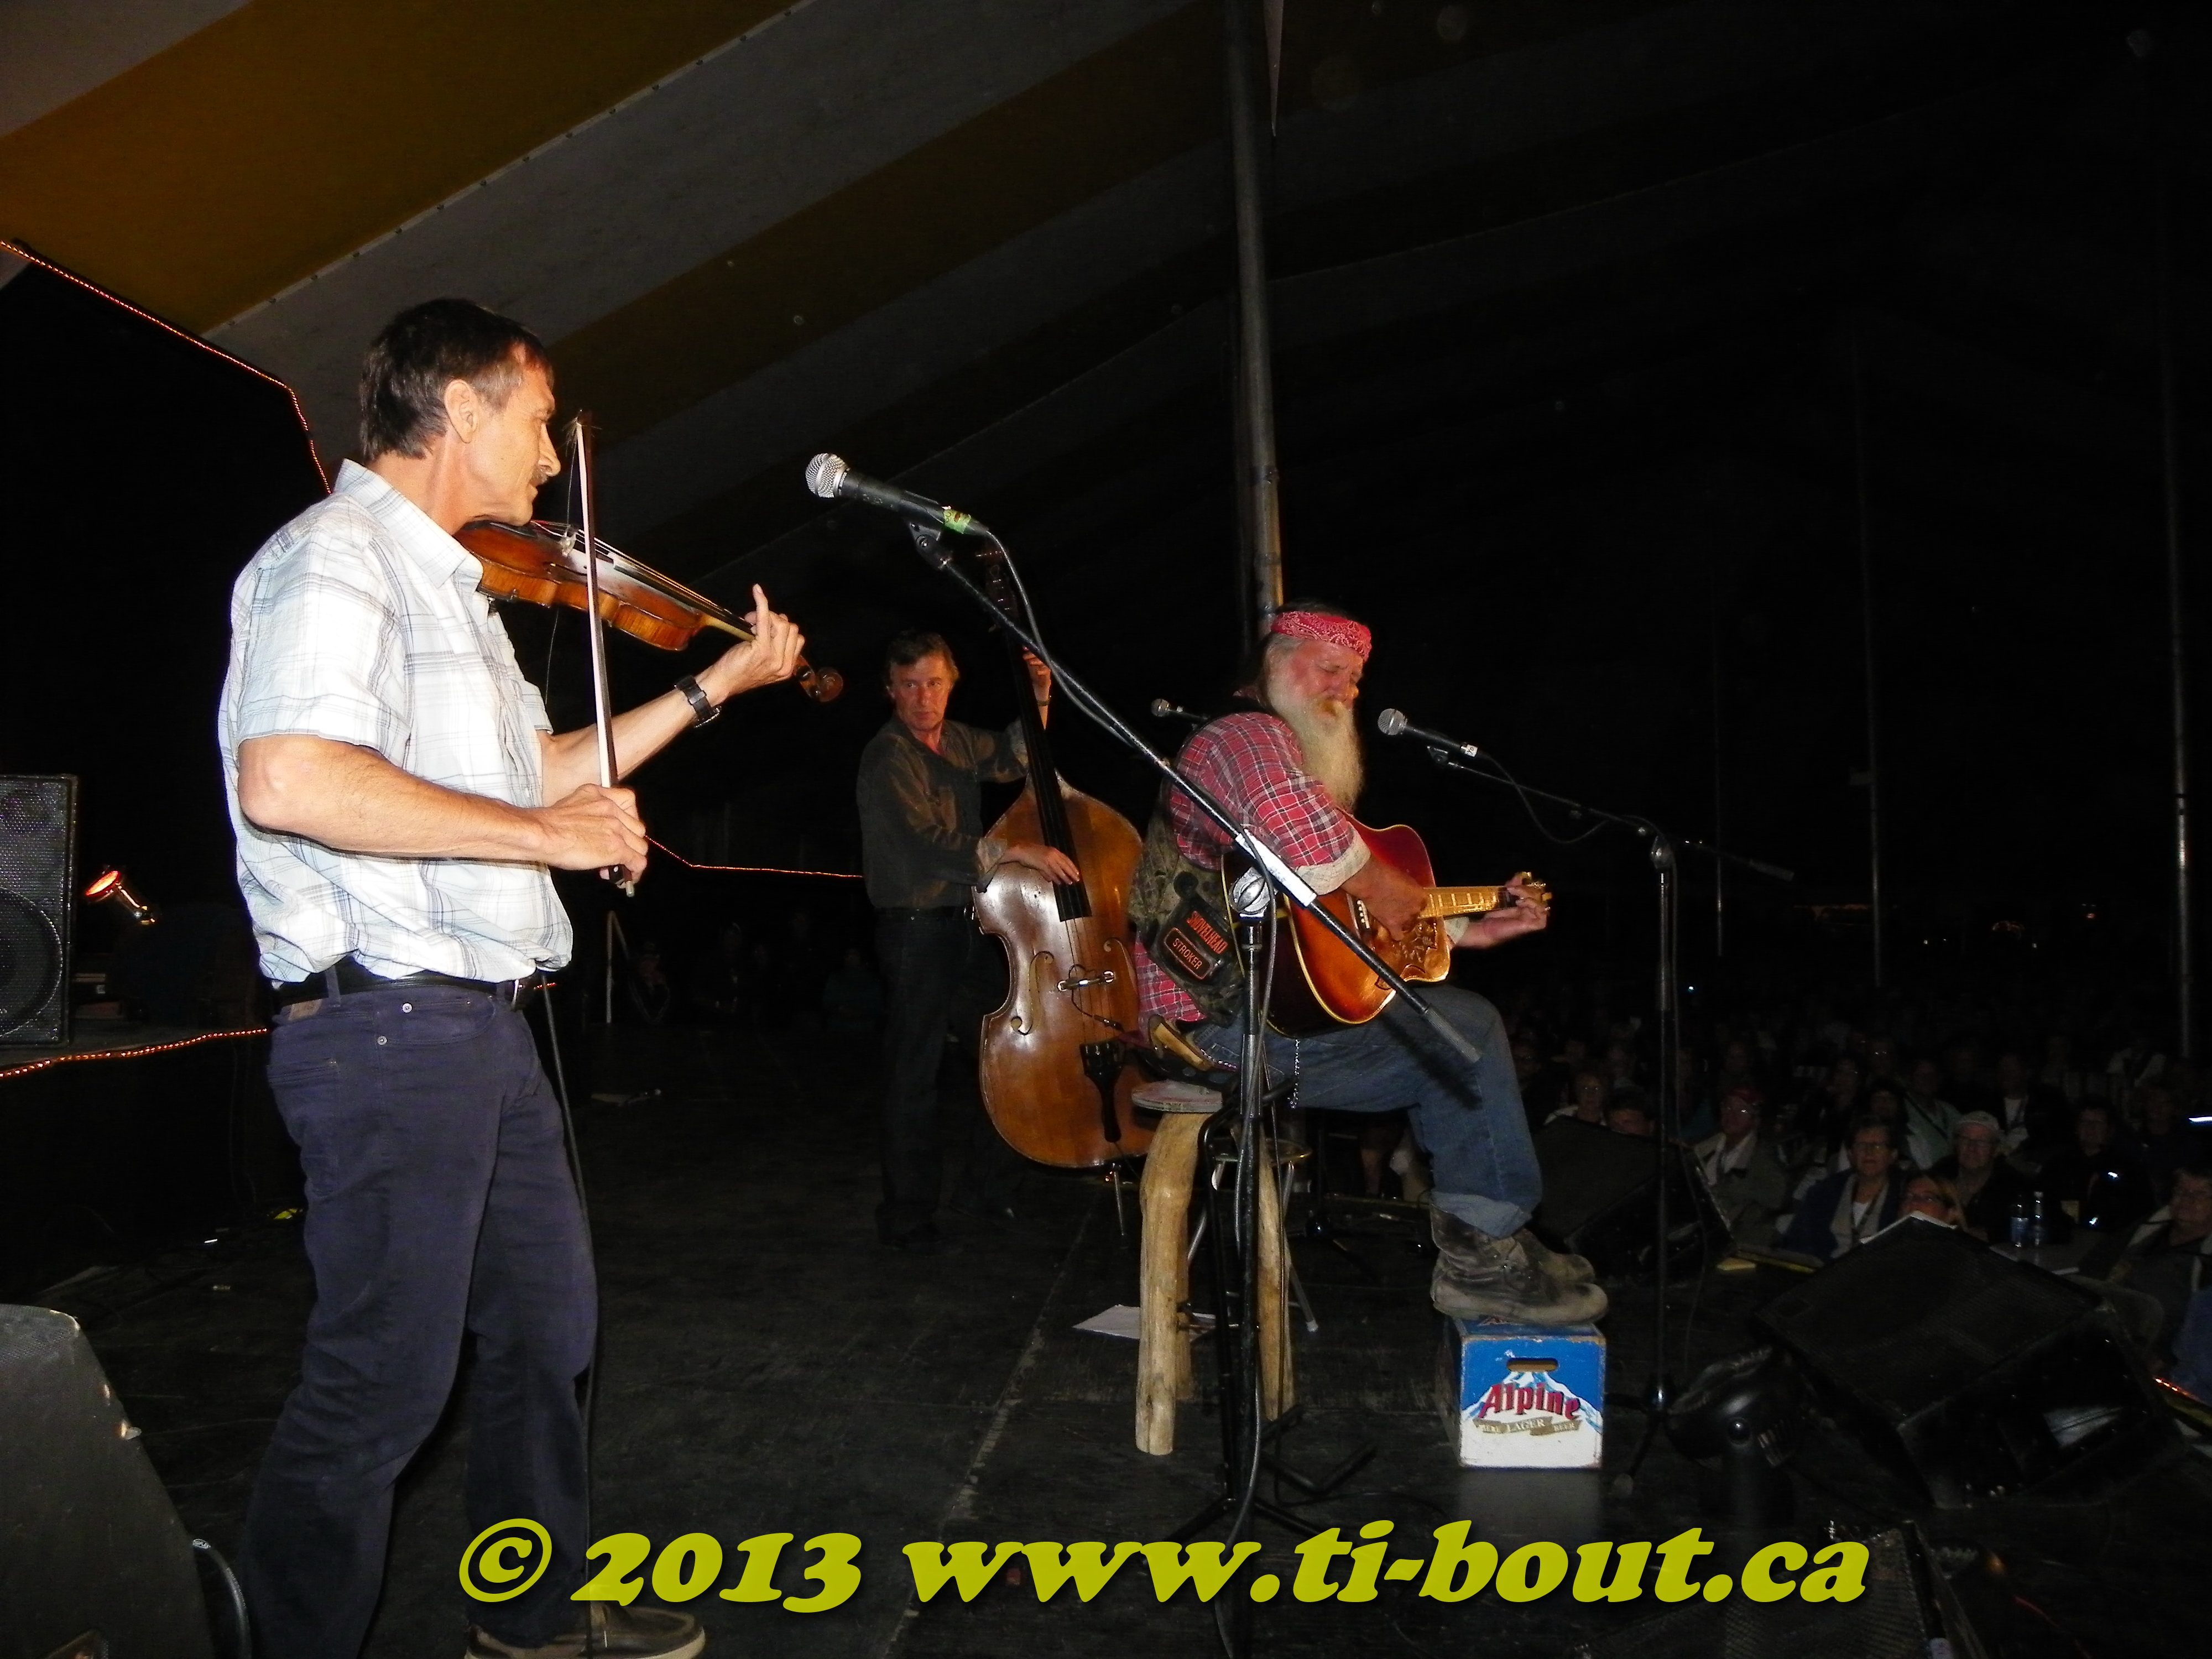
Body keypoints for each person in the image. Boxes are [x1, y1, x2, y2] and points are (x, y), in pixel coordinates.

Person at [220, 299, 802, 1658]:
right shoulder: (335, 557)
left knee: (546, 1330)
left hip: (477, 1024)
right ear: (462, 408)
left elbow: (539, 773)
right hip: (385, 1024)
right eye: (538, 423)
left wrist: (714, 687)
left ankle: (530, 1613)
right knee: (381, 1384)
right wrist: (549, 840)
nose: (551, 459)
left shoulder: (459, 593)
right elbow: (290, 776)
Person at [1128, 601, 1601, 1326]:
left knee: (1454, 1029)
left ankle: (1487, 1241)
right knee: (1467, 1034)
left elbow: (1337, 928)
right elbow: (1311, 842)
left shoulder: (1285, 772)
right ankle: (1485, 1254)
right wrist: (1389, 890)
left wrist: (1468, 932)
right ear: (1273, 662)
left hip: (1258, 1021)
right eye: (1329, 669)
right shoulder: (1244, 736)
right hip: (1218, 1031)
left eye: (1354, 680)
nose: (1345, 692)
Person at [854, 629, 1071, 1252]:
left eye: (934, 683)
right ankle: (906, 1216)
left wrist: (1039, 696)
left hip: (966, 925)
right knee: (914, 1072)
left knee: (1002, 1058)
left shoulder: (956, 740)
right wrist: (1018, 851)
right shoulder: (887, 756)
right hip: (914, 930)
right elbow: (929, 845)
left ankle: (983, 1188)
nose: (923, 697)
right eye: (910, 685)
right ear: (891, 690)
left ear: (951, 685)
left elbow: (1014, 756)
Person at [1782, 1117, 1908, 1263]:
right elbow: (1798, 1244)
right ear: (1851, 1155)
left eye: (1878, 1146)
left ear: (1893, 1155)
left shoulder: (1906, 1196)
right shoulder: (1823, 1193)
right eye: (1861, 1146)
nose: (1869, 1152)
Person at [2034, 1101, 2153, 1236]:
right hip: (2062, 1237)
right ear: (2076, 1128)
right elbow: (2041, 1202)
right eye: (2084, 1122)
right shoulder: (2057, 1166)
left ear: (2110, 1130)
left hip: (2109, 1239)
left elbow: (2140, 1213)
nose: (2091, 1128)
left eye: (2098, 1123)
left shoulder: (2129, 1169)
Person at [1693, 1087, 1790, 1250]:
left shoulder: (1762, 1157)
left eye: (1742, 1111)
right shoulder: (1707, 1146)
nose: (1731, 1115)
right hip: (1700, 1227)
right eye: (1728, 1107)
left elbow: (1780, 1197)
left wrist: (1740, 1189)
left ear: (1756, 1120)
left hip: (1738, 1238)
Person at [1929, 1110, 2032, 1242]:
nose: (1972, 1148)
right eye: (1965, 1139)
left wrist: (1991, 1236)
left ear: (1996, 1149)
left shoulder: (2014, 1185)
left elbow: (2038, 1228)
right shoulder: (1939, 1175)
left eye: (1982, 1142)